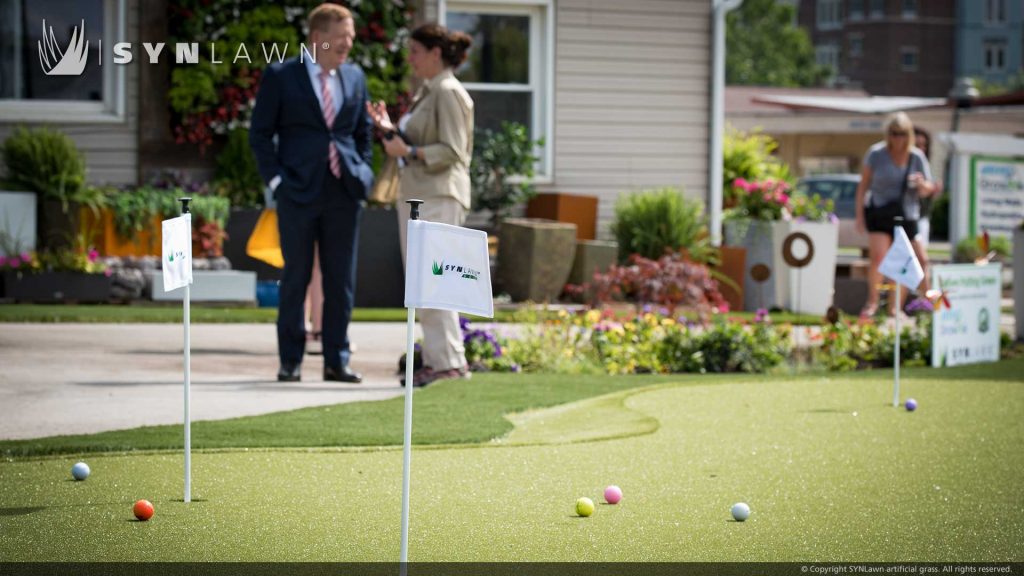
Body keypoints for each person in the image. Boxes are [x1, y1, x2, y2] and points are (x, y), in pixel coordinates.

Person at [250, 3, 373, 383]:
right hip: (297, 194)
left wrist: (363, 172)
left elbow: (361, 135)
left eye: (351, 37)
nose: (348, 45)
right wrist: (276, 182)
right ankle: (291, 361)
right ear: (318, 39)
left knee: (341, 281)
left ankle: (337, 360)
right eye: (342, 37)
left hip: (344, 193)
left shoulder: (354, 77)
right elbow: (259, 134)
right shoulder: (281, 75)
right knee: (296, 278)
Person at [366, 23, 474, 387]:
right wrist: (389, 129)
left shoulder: (447, 91)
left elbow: (454, 151)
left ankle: (448, 366)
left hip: (440, 197)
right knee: (424, 285)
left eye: (414, 51)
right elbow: (415, 145)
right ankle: (438, 361)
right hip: (419, 197)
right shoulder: (428, 91)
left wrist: (409, 150)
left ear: (435, 53)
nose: (409, 58)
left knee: (436, 282)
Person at [855, 112, 939, 319]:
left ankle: (897, 307)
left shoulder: (916, 156)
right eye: (893, 133)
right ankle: (872, 302)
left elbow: (929, 188)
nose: (897, 138)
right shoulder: (876, 154)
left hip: (907, 214)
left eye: (902, 134)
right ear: (888, 134)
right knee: (880, 258)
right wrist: (859, 216)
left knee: (918, 259)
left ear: (908, 134)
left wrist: (921, 185)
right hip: (881, 213)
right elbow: (863, 186)